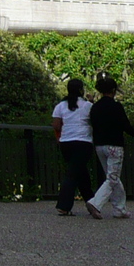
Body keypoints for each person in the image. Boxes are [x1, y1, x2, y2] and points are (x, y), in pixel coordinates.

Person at [85, 75, 134, 219]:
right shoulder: (116, 107)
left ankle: (120, 209)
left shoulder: (95, 107)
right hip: (115, 146)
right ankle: (95, 203)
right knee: (113, 178)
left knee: (112, 177)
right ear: (113, 90)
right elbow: (127, 127)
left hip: (100, 145)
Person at [51, 78, 95, 216]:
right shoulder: (87, 105)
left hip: (66, 142)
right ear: (81, 90)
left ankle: (92, 202)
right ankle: (64, 205)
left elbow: (56, 125)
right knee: (73, 174)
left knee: (80, 173)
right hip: (83, 142)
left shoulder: (61, 106)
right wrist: (92, 102)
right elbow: (95, 121)